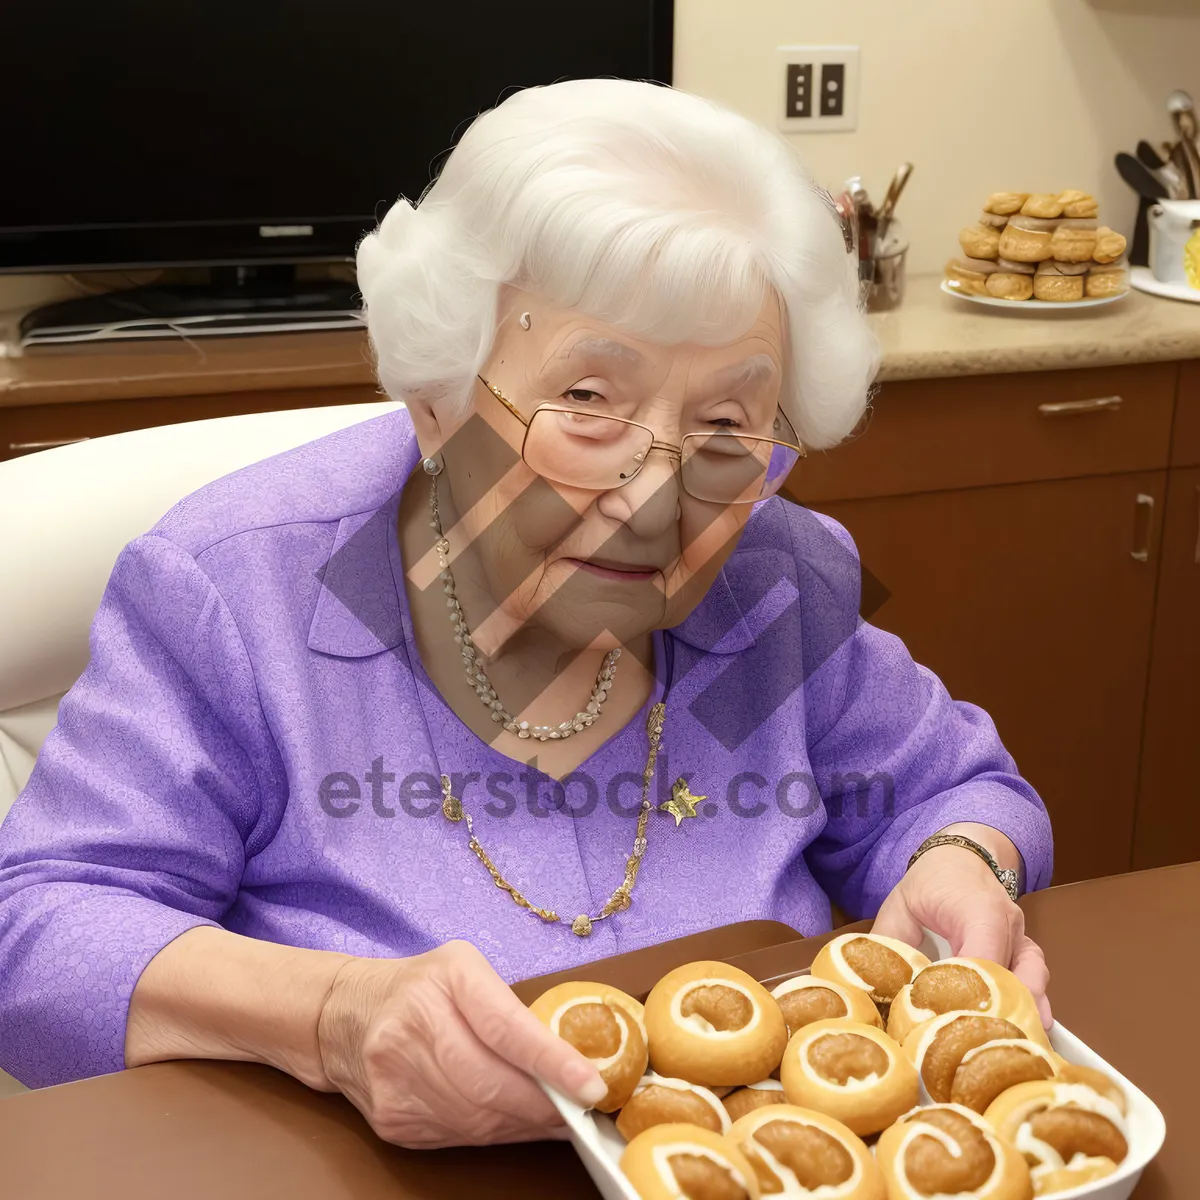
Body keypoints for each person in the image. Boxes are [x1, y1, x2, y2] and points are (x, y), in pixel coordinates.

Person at [0, 79, 1051, 1148]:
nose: (657, 497)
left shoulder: (768, 576)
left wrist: (966, 864)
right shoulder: (241, 590)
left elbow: (957, 790)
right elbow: (39, 930)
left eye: (727, 420)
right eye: (587, 402)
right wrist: (329, 1021)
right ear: (437, 400)